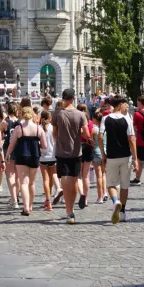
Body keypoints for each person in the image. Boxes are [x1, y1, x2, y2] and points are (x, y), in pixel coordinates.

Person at [51, 88, 92, 225]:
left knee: (64, 180)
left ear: (63, 98)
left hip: (61, 152)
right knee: (74, 180)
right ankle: (72, 209)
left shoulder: (57, 113)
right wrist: (80, 133)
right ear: (73, 98)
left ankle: (68, 211)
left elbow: (54, 133)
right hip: (76, 152)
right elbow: (86, 134)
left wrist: (59, 141)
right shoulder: (80, 114)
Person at [99, 96, 137, 223]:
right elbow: (131, 139)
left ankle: (115, 201)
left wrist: (103, 154)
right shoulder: (127, 119)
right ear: (121, 104)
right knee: (125, 185)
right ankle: (123, 212)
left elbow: (100, 137)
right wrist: (136, 158)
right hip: (126, 155)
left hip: (111, 155)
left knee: (111, 184)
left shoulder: (105, 118)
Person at [7, 104, 47, 215]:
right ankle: (31, 205)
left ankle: (25, 208)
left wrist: (7, 155)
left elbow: (12, 144)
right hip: (35, 156)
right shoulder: (39, 129)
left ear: (22, 115)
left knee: (24, 183)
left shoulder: (18, 128)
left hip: (21, 156)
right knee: (32, 183)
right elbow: (44, 145)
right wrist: (36, 144)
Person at [1, 102, 21, 209]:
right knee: (17, 176)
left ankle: (14, 200)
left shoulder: (5, 122)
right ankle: (16, 197)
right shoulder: (20, 122)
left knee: (10, 176)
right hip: (18, 149)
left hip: (8, 148)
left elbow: (0, 135)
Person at [77, 102, 95, 210]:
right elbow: (91, 134)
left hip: (79, 147)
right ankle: (86, 198)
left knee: (78, 175)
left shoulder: (77, 122)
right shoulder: (90, 122)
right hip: (88, 147)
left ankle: (81, 194)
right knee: (86, 175)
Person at [39, 110, 57, 211]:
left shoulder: (39, 128)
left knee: (45, 179)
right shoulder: (53, 127)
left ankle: (48, 200)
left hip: (42, 156)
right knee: (51, 178)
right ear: (50, 118)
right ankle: (49, 197)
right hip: (53, 155)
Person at [92, 111, 106, 204]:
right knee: (104, 174)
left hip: (97, 152)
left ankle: (100, 196)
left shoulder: (94, 129)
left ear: (95, 119)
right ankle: (105, 193)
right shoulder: (105, 129)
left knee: (98, 176)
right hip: (105, 152)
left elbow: (92, 142)